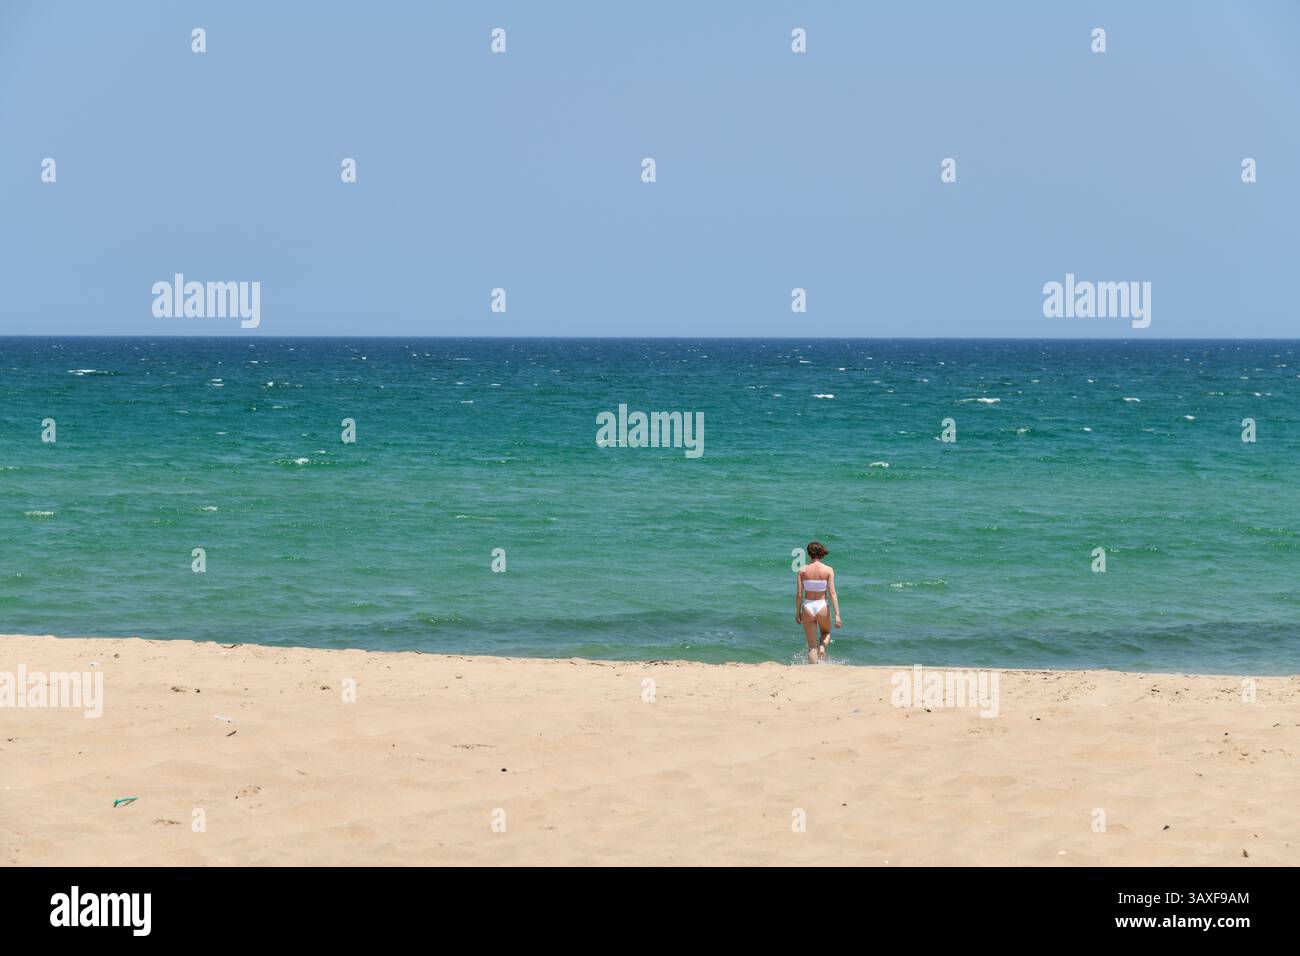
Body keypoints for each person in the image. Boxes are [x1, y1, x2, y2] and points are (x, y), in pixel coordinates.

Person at [796, 541, 840, 664]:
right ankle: (822, 647)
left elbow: (799, 594)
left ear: (809, 554)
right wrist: (837, 615)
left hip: (808, 606)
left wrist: (798, 612)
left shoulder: (802, 570)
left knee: (811, 646)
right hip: (822, 606)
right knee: (826, 632)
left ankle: (812, 670)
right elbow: (832, 593)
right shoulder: (828, 570)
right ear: (821, 553)